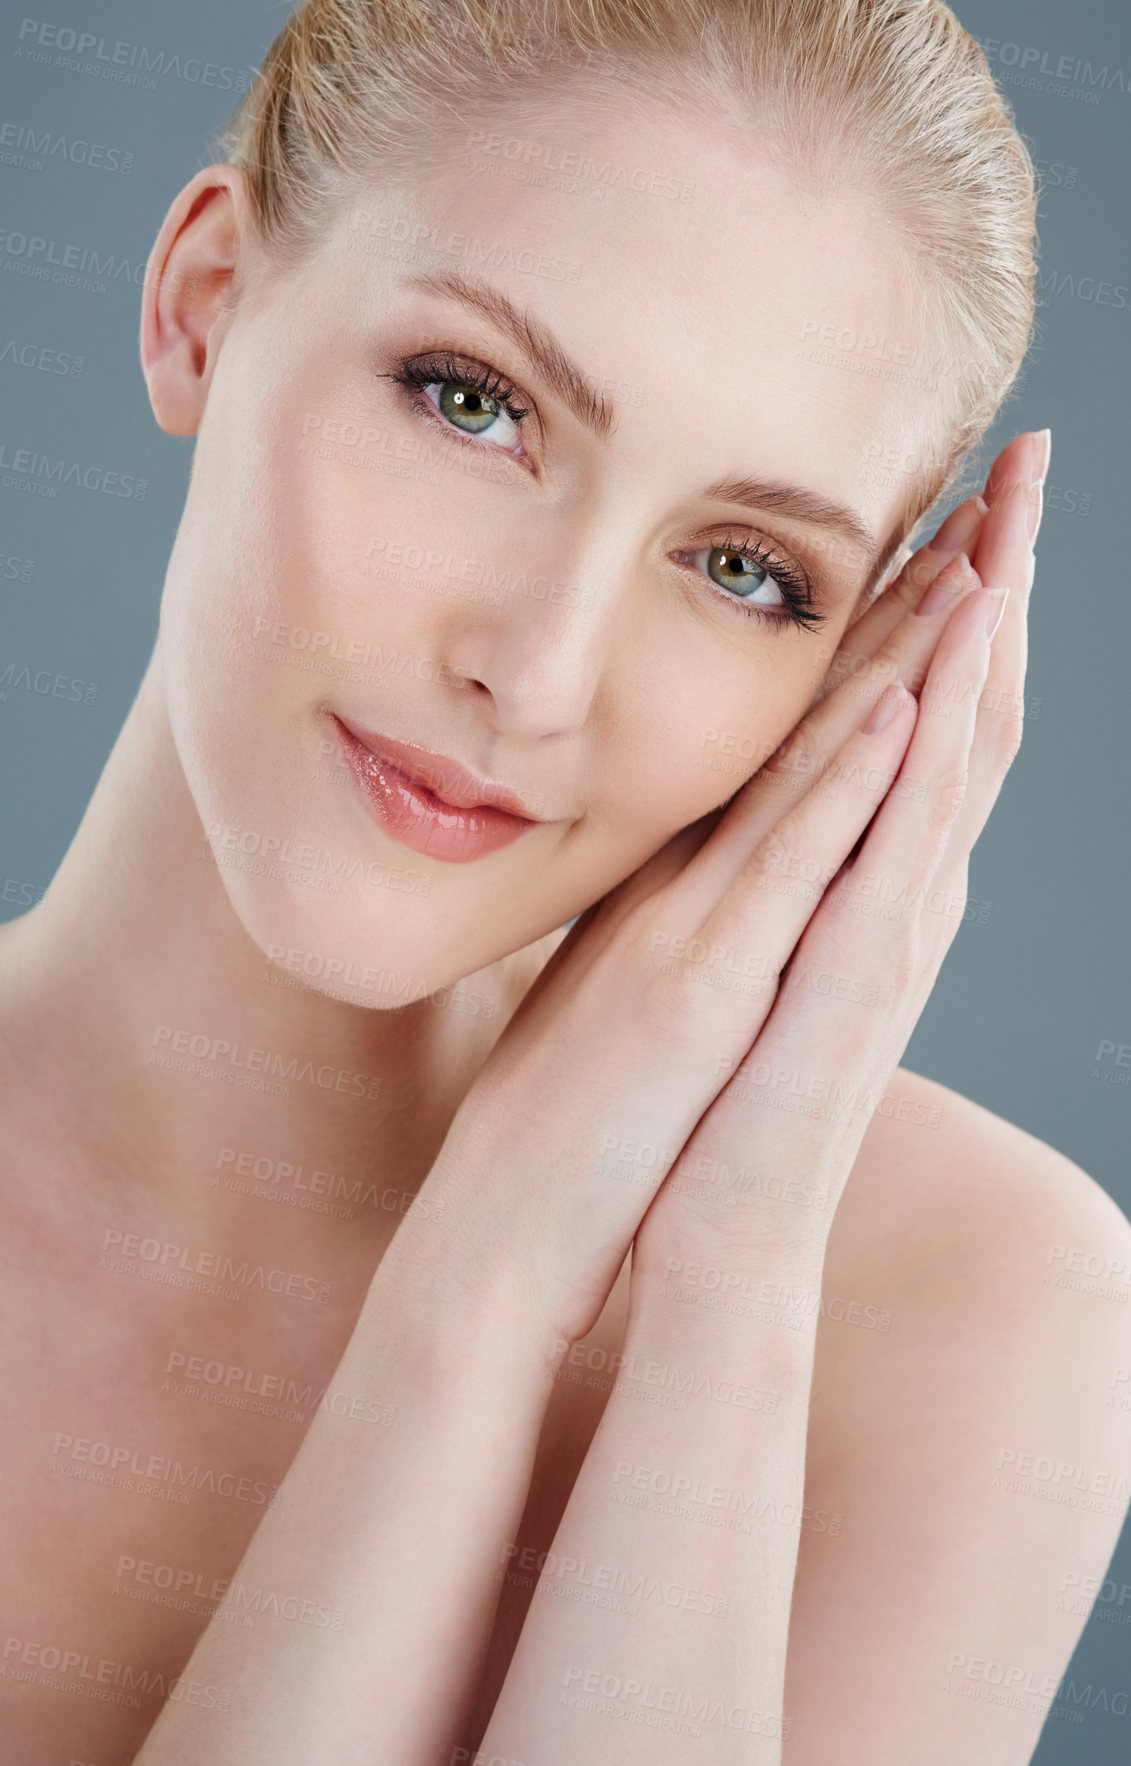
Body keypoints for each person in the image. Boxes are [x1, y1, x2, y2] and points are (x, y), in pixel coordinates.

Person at [2, 0, 1128, 1760]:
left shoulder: (977, 1310)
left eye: (744, 569)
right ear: (204, 304)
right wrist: (488, 1269)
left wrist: (723, 1278)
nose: (538, 673)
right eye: (474, 405)